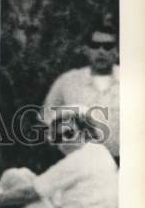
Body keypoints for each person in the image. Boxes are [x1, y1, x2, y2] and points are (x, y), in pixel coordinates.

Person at [0, 109, 118, 208]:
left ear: (85, 133)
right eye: (58, 137)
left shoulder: (78, 159)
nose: (64, 140)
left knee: (14, 176)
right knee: (23, 175)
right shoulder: (101, 152)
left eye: (69, 133)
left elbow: (30, 193)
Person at [43, 19, 119, 163]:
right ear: (86, 49)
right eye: (95, 45)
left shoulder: (132, 82)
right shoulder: (67, 81)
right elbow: (46, 121)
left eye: (108, 46)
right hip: (79, 164)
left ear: (117, 51)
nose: (101, 51)